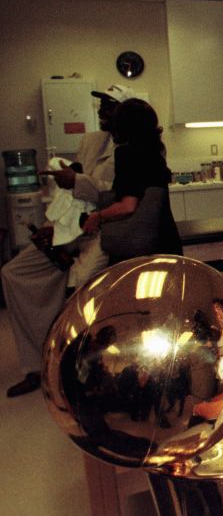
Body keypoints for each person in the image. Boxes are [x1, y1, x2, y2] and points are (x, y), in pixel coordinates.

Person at [2, 84, 132, 398]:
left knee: (81, 287)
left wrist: (77, 182)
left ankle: (78, 370)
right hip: (70, 228)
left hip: (101, 232)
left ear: (126, 112)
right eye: (101, 106)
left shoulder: (133, 148)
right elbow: (73, 195)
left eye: (110, 106)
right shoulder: (90, 141)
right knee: (14, 273)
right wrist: (51, 225)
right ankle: (37, 363)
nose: (102, 112)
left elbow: (113, 194)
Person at [81, 98, 181, 260]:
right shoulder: (155, 152)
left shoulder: (128, 155)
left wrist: (97, 216)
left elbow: (127, 206)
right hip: (164, 239)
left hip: (139, 249)